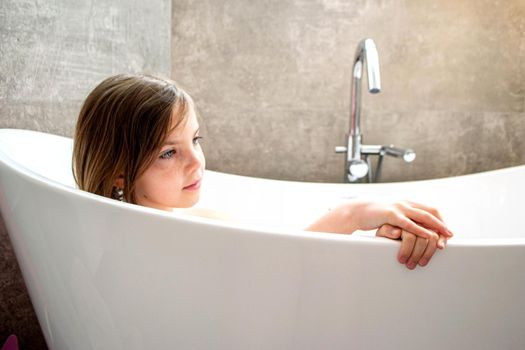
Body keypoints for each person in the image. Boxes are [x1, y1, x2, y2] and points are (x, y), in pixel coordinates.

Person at [73, 74, 453, 270]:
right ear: (120, 173)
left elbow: (278, 244)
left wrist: (364, 219)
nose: (196, 162)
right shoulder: (154, 242)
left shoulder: (173, 221)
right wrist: (354, 215)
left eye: (196, 139)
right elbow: (280, 260)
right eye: (169, 152)